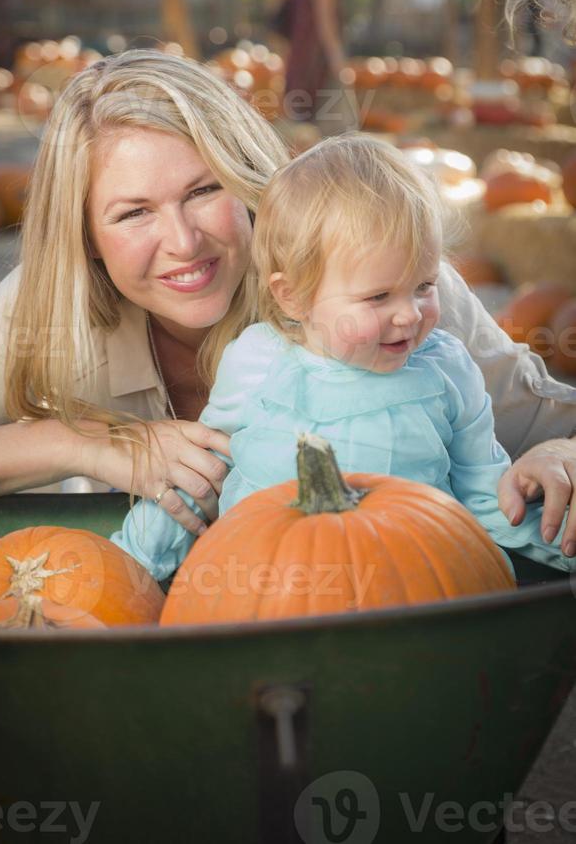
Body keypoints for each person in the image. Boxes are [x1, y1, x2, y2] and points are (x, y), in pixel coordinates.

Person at [0, 50, 574, 544]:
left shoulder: (382, 286)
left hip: (386, 584)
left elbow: (557, 424)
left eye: (205, 190)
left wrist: (561, 455)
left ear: (250, 182)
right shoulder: (50, 303)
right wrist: (83, 443)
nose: (182, 242)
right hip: (167, 599)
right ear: (86, 236)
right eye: (132, 214)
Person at [114, 134, 576, 582]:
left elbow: (486, 494)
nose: (409, 315)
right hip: (272, 584)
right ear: (293, 297)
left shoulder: (446, 366)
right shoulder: (257, 362)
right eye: (377, 297)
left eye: (424, 286)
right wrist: (128, 564)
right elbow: (202, 477)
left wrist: (562, 547)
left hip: (416, 582)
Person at [283, 0, 356, 134]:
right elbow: (325, 21)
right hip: (319, 56)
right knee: (336, 126)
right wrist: (337, 60)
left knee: (304, 122)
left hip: (301, 51)